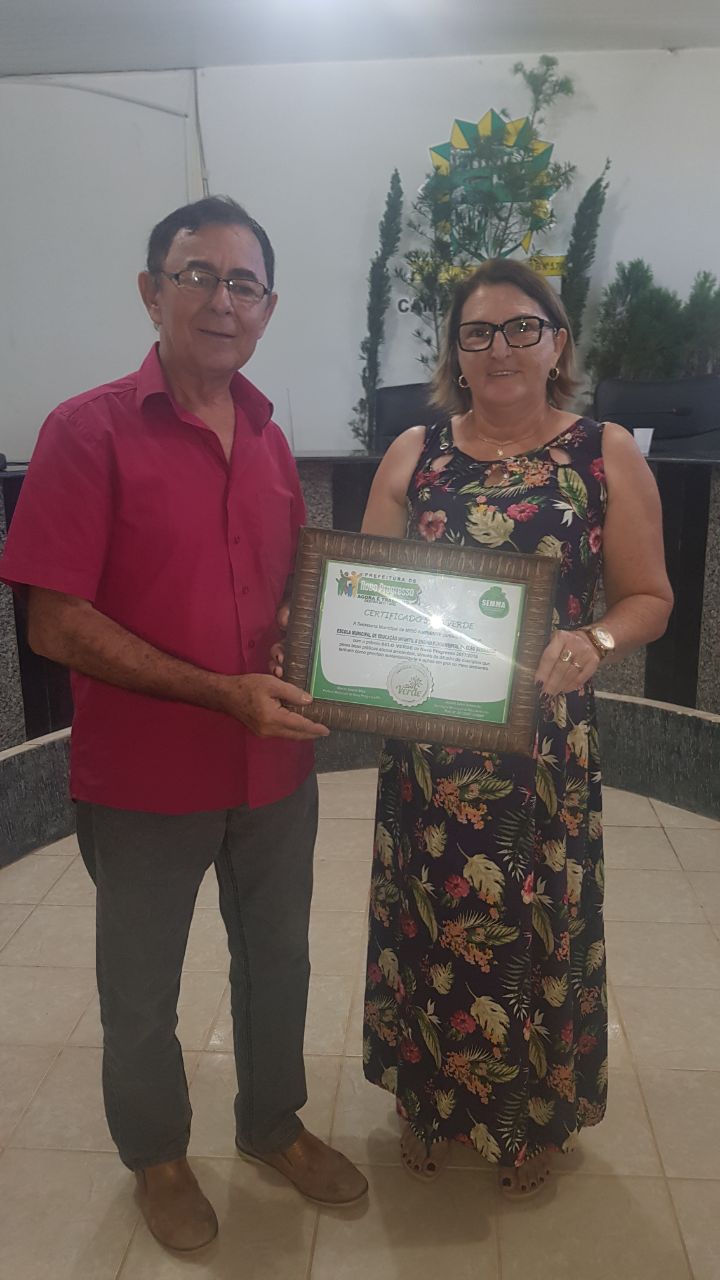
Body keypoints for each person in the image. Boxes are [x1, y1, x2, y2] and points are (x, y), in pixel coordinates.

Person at [0, 195, 367, 1251]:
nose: (220, 299)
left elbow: (287, 587)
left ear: (268, 307)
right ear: (150, 291)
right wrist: (221, 691)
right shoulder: (85, 430)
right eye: (196, 274)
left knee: (280, 961)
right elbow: (55, 622)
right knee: (142, 990)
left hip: (273, 770)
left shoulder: (270, 437)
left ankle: (272, 1123)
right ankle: (157, 1156)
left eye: (243, 282)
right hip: (145, 778)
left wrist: (308, 632)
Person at [359, 259, 673, 1196]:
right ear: (455, 352)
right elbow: (365, 591)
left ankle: (534, 1116)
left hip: (543, 752)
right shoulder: (413, 452)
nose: (500, 348)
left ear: (556, 342)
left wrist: (595, 638)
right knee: (430, 922)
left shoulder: (603, 452)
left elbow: (650, 597)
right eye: (478, 332)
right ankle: (429, 1101)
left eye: (521, 328)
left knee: (535, 927)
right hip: (428, 749)